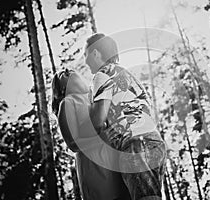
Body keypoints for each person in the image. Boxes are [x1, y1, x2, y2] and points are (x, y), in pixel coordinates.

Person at [85, 33, 167, 200]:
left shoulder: (101, 75)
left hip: (134, 144)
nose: (85, 60)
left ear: (94, 53)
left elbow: (98, 120)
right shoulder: (128, 75)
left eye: (85, 54)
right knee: (151, 196)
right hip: (154, 141)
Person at [52, 69, 131, 200]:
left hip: (116, 164)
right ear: (62, 88)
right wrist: (102, 138)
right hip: (95, 171)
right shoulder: (67, 103)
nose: (66, 69)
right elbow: (72, 144)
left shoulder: (97, 97)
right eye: (62, 75)